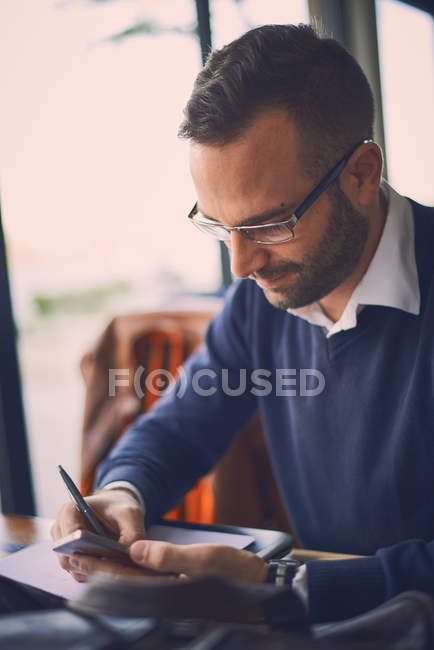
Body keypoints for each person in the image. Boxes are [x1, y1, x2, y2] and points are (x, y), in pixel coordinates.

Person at [52, 23, 434, 624]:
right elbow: (179, 424)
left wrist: (284, 583)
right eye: (219, 225)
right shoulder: (259, 302)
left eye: (268, 224)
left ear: (362, 173)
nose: (242, 264)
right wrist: (122, 491)